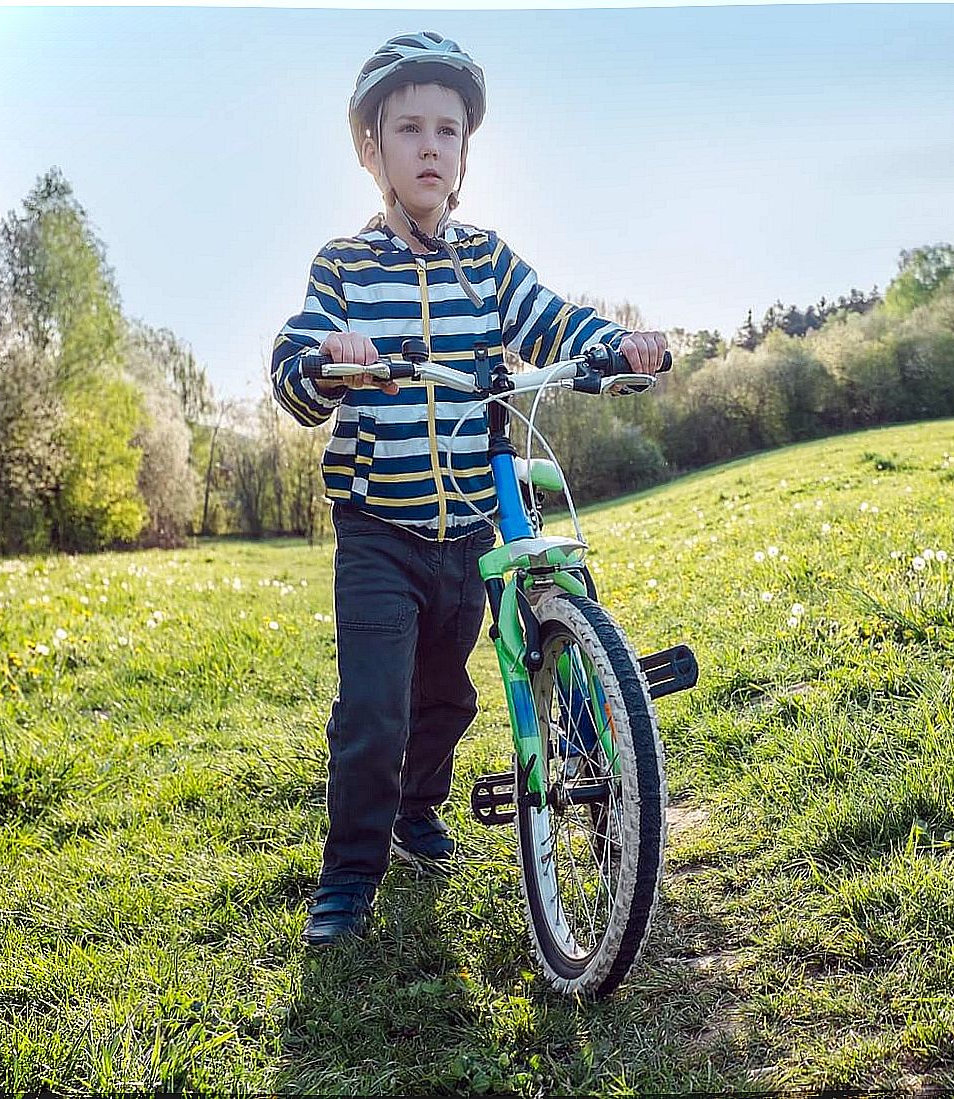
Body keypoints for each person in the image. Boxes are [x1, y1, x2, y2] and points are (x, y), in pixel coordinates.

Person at [269, 31, 668, 946]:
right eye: (407, 128)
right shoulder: (344, 268)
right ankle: (350, 877)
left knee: (448, 697)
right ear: (372, 148)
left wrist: (611, 343)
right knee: (376, 706)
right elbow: (294, 363)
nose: (429, 147)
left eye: (447, 131)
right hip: (380, 529)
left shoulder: (487, 261)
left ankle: (445, 803)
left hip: (479, 523)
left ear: (464, 151)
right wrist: (331, 362)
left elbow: (549, 316)